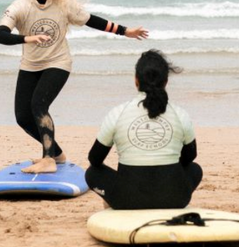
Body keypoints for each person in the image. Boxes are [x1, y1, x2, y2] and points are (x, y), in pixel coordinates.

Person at [0, 0, 148, 173]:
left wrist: (125, 31)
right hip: (30, 64)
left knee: (39, 105)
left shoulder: (64, 3)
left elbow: (91, 20)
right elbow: (0, 36)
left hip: (58, 61)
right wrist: (28, 38)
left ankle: (48, 159)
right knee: (23, 117)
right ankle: (57, 154)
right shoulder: (20, 6)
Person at [86, 49, 202, 209]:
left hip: (126, 201)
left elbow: (95, 159)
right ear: (166, 81)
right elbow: (190, 157)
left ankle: (112, 200)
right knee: (195, 169)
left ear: (136, 81)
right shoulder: (180, 114)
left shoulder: (118, 113)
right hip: (175, 199)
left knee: (92, 172)